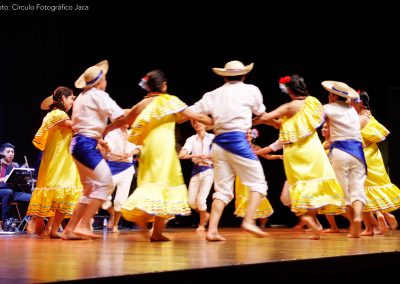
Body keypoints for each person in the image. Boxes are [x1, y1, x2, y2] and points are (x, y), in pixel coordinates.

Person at [104, 69, 213, 242]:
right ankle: (151, 228)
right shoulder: (170, 101)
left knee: (153, 185)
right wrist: (214, 122)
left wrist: (105, 129)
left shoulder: (142, 104)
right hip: (164, 151)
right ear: (164, 85)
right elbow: (195, 115)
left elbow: (124, 121)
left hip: (148, 151)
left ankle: (154, 231)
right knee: (167, 186)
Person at [254, 75, 346, 240]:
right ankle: (313, 221)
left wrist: (243, 122)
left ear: (289, 90)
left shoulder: (289, 107)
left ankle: (313, 221)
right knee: (314, 184)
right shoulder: (314, 102)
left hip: (296, 152)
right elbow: (289, 124)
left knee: (299, 187)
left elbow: (265, 118)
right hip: (314, 149)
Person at [189, 60, 272, 241]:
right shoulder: (251, 90)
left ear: (224, 76)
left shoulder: (213, 94)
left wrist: (209, 121)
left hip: (218, 144)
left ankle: (212, 231)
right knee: (259, 184)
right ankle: (249, 221)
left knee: (222, 191)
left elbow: (191, 111)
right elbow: (261, 112)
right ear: (244, 75)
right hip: (238, 141)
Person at [60, 60, 125, 240]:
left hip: (77, 145)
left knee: (89, 188)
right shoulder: (99, 95)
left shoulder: (81, 97)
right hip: (86, 145)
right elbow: (121, 116)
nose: (106, 81)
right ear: (100, 81)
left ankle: (69, 229)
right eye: (104, 78)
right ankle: (83, 225)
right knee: (106, 184)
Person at [26, 86, 83, 238]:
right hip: (59, 160)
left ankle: (50, 228)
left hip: (59, 158)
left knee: (58, 194)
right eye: (72, 98)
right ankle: (40, 223)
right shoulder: (58, 114)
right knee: (62, 192)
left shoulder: (54, 114)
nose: (73, 101)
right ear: (63, 98)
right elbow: (75, 127)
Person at [321, 80, 367, 238]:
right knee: (358, 188)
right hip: (358, 152)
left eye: (330, 94)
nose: (328, 96)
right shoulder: (353, 111)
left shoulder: (327, 108)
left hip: (340, 151)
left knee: (343, 191)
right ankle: (358, 217)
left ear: (334, 96)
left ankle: (352, 221)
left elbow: (316, 122)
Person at [351, 90, 400, 236]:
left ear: (359, 103)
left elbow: (352, 132)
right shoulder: (367, 115)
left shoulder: (361, 118)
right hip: (370, 155)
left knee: (363, 190)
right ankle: (381, 217)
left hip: (365, 157)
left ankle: (380, 219)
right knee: (367, 190)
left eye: (351, 101)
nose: (349, 103)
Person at [97, 124, 141, 233]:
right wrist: (119, 154)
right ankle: (112, 213)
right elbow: (108, 149)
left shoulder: (132, 133)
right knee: (104, 198)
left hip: (127, 170)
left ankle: (115, 225)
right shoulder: (112, 134)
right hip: (113, 167)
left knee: (120, 200)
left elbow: (138, 147)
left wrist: (129, 153)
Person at [234, 128, 278, 229]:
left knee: (255, 194)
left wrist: (279, 156)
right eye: (246, 133)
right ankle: (250, 222)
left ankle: (262, 220)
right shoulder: (238, 146)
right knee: (244, 196)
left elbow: (268, 156)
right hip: (241, 175)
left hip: (253, 173)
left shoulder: (256, 147)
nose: (248, 135)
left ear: (253, 135)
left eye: (250, 133)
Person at [178, 119, 214, 231]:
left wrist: (208, 157)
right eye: (194, 122)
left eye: (199, 122)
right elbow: (182, 155)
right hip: (196, 170)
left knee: (201, 199)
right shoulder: (191, 139)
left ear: (205, 124)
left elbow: (220, 155)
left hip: (208, 170)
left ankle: (202, 224)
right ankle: (205, 215)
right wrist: (196, 155)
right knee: (191, 202)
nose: (197, 124)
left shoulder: (213, 138)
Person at [0, 143, 32, 231]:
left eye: (12, 152)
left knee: (34, 198)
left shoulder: (16, 165)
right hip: (1, 191)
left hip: (14, 192)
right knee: (8, 191)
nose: (10, 153)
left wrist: (25, 178)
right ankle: (5, 222)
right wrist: (3, 179)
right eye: (8, 151)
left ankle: (30, 222)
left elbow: (19, 183)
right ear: (2, 153)